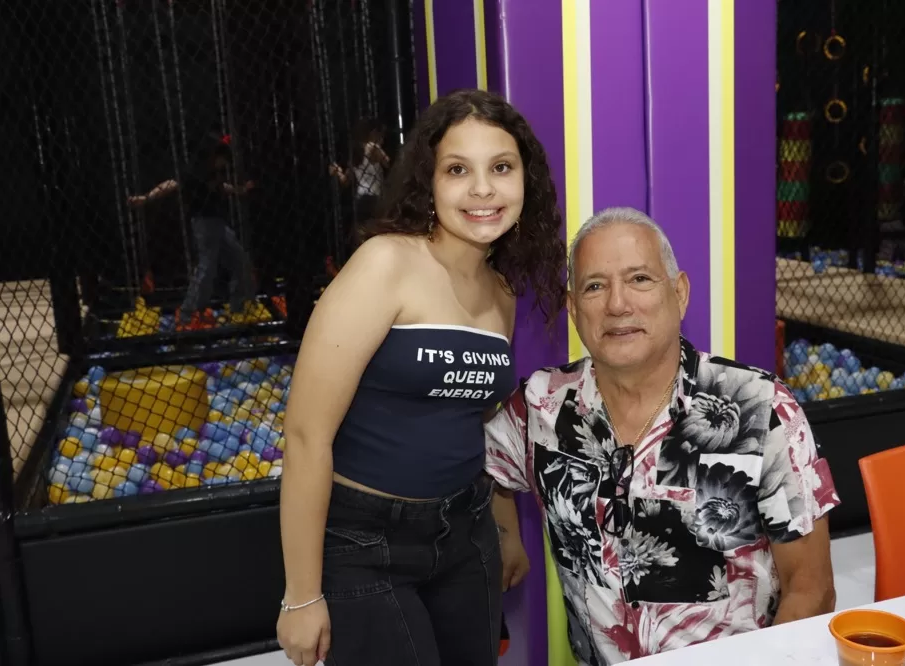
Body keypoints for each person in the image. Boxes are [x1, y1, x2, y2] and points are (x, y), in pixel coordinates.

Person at [276, 88, 566, 666]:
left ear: (525, 182)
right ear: (428, 182)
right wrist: (301, 595)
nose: (482, 189)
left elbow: (481, 421)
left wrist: (505, 528)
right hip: (365, 543)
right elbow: (306, 435)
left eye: (501, 168)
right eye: (458, 170)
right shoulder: (386, 263)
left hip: (466, 533)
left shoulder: (501, 294)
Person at [485, 207, 841, 665]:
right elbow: (479, 465)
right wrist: (505, 535)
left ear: (680, 293)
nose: (617, 304)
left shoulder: (760, 408)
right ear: (573, 309)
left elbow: (811, 588)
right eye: (595, 286)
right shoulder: (541, 406)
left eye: (639, 279)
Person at [128, 132, 256, 327]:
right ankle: (189, 314)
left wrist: (240, 190)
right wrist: (146, 198)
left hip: (219, 224)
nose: (224, 163)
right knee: (207, 268)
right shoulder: (196, 172)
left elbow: (223, 187)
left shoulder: (215, 173)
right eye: (222, 157)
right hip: (204, 223)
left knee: (240, 262)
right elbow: (171, 184)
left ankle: (237, 307)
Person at [329, 117, 390, 228]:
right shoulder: (372, 147)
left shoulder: (355, 153)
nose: (383, 140)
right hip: (375, 197)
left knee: (363, 229)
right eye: (381, 136)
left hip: (361, 198)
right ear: (374, 134)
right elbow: (387, 162)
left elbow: (346, 181)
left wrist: (338, 172)